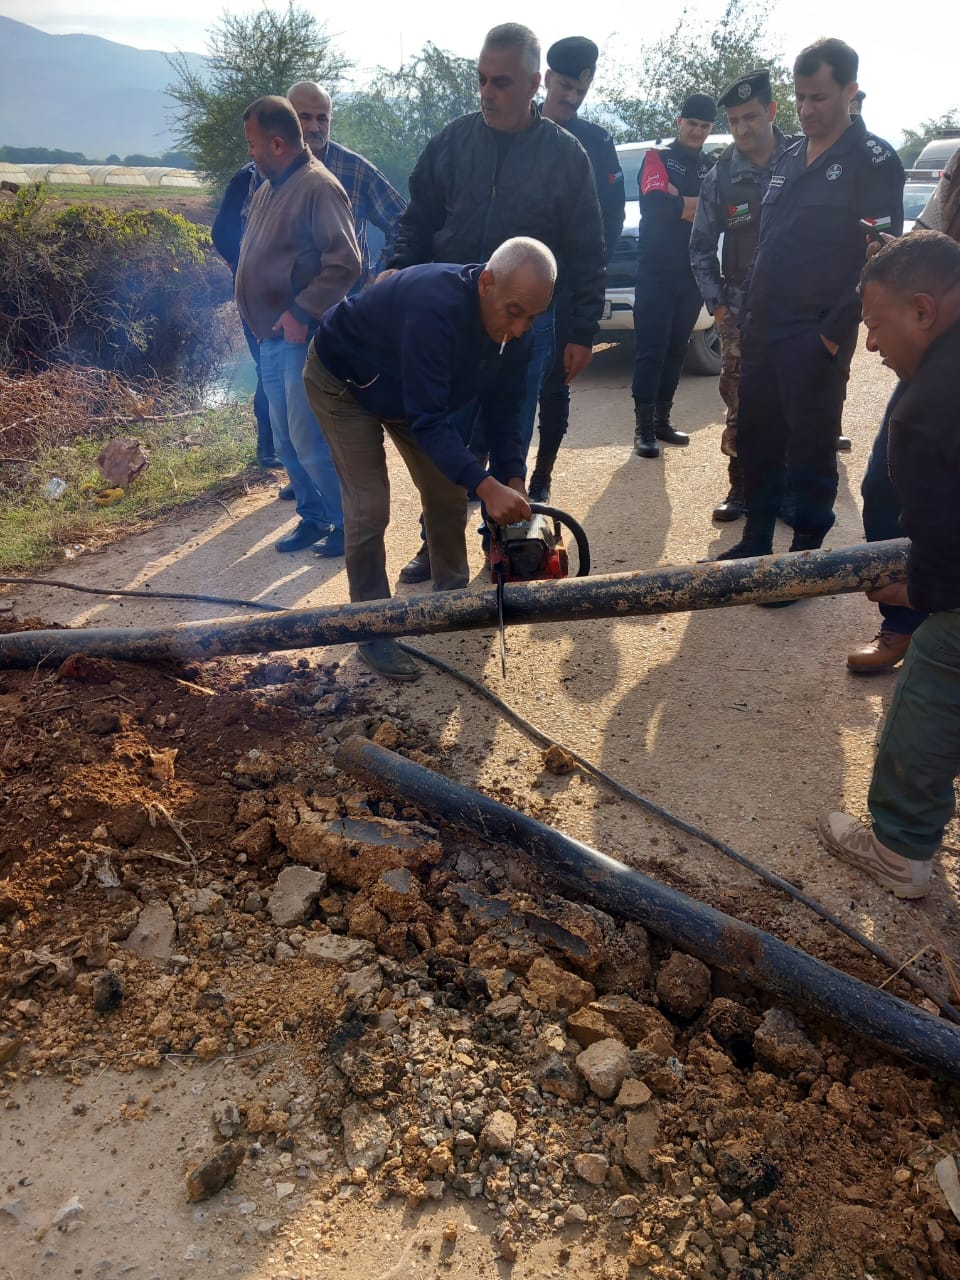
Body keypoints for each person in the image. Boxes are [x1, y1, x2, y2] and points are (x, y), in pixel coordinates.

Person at [385, 22, 606, 585]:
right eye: (481, 79)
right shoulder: (453, 142)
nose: (487, 91)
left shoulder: (566, 157)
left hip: (528, 324)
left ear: (534, 83)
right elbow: (417, 221)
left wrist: (581, 328)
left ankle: (505, 543)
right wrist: (394, 275)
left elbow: (585, 249)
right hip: (455, 319)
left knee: (508, 427)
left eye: (501, 82)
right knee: (447, 431)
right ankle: (435, 544)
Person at [304, 238, 556, 680]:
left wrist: (512, 477)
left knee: (446, 490)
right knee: (369, 506)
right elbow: (428, 421)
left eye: (532, 317)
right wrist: (484, 483)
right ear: (486, 284)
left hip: (405, 388)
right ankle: (372, 627)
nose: (519, 328)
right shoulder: (434, 309)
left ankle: (451, 598)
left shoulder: (517, 334)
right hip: (342, 380)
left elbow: (505, 410)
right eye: (514, 312)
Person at [716, 38, 904, 563]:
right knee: (757, 437)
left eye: (818, 97)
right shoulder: (791, 155)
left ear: (850, 91)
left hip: (815, 332)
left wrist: (830, 333)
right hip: (764, 329)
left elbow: (876, 258)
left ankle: (805, 559)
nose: (806, 110)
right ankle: (754, 544)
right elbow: (768, 239)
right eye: (799, 98)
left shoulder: (873, 161)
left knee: (809, 448)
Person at [819, 232, 960, 899]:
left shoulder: (927, 411)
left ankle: (900, 849)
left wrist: (916, 588)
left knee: (937, 670)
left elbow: (947, 556)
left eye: (875, 325)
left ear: (923, 312)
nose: (870, 343)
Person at [235, 96, 361, 556]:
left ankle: (348, 525)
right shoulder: (269, 184)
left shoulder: (317, 187)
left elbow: (346, 262)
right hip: (269, 337)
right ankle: (314, 517)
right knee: (285, 440)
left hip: (300, 337)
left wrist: (302, 310)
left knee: (308, 439)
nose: (249, 152)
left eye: (253, 143)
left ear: (277, 142)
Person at [690, 69, 791, 520]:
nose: (743, 128)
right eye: (734, 121)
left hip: (795, 309)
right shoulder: (721, 175)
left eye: (751, 117)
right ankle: (741, 490)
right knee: (741, 403)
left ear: (770, 111)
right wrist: (719, 306)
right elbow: (699, 247)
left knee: (792, 403)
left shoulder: (800, 160)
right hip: (741, 313)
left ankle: (787, 491)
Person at [528, 35, 625, 503]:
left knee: (554, 388)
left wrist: (585, 305)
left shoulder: (595, 142)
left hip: (564, 292)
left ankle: (542, 476)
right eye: (564, 85)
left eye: (580, 91)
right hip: (510, 287)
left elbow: (609, 221)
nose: (570, 96)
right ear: (546, 79)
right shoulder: (515, 129)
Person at [631, 92, 717, 460]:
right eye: (691, 123)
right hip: (656, 271)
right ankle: (643, 429)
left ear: (710, 128)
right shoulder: (657, 157)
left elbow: (722, 208)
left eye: (704, 126)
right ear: (679, 122)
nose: (696, 131)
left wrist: (679, 201)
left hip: (692, 273)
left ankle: (663, 420)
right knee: (651, 349)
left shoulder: (712, 164)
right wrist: (692, 205)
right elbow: (653, 204)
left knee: (676, 350)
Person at [287, 82, 406, 291]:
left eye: (322, 118)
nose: (314, 128)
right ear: (287, 119)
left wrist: (378, 274)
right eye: (304, 117)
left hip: (344, 305)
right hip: (282, 306)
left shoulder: (356, 170)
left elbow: (403, 223)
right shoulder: (269, 168)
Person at [211, 161, 279, 471]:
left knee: (279, 365)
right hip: (256, 294)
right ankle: (269, 444)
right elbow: (221, 233)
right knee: (269, 365)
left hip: (284, 292)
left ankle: (283, 447)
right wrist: (245, 264)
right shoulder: (247, 177)